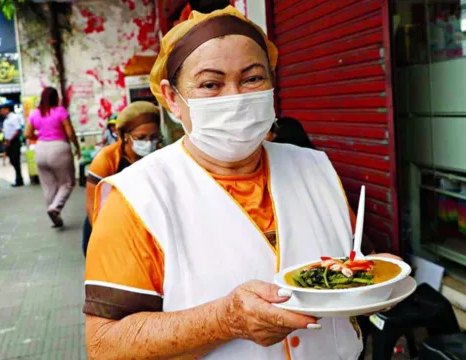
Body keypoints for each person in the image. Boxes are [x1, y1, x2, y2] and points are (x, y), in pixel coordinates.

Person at [84, 7, 398, 359]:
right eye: (210, 84)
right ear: (172, 97)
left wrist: (377, 280)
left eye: (252, 79)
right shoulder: (139, 197)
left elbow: (355, 264)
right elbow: (104, 344)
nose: (234, 97)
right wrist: (225, 320)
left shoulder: (314, 167)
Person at [83, 101, 161, 256]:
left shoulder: (160, 156)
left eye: (153, 137)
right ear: (125, 136)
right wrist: (105, 239)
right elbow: (93, 206)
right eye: (141, 137)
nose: (148, 143)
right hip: (107, 223)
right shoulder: (106, 159)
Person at [25, 87, 81, 228]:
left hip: (41, 149)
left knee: (49, 186)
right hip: (59, 148)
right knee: (67, 183)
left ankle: (56, 218)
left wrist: (40, 136)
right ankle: (55, 208)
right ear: (56, 98)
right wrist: (77, 146)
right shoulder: (60, 111)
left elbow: (27, 134)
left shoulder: (34, 113)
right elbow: (70, 132)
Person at [1, 105, 24, 187]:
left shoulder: (14, 117)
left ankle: (19, 179)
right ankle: (18, 178)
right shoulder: (6, 120)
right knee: (12, 160)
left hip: (14, 142)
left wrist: (10, 140)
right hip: (8, 142)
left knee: (15, 160)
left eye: (2, 110)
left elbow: (18, 130)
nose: (1, 112)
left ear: (7, 109)